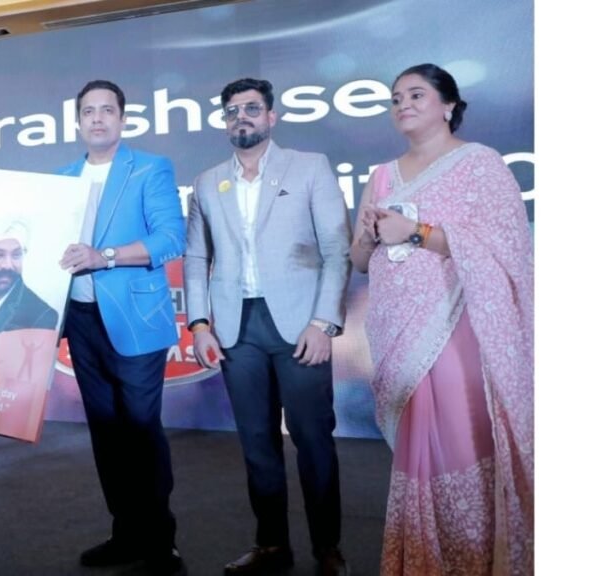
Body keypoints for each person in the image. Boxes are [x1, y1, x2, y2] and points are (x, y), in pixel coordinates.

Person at [349, 63, 533, 576]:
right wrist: (370, 234)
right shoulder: (381, 175)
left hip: (456, 327)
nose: (402, 104)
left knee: (458, 440)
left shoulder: (480, 164)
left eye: (416, 95)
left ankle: (474, 557)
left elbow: (505, 245)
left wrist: (415, 231)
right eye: (395, 98)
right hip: (396, 330)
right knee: (417, 447)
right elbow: (359, 260)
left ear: (448, 105)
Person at [184, 78, 351, 576]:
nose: (242, 117)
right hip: (237, 330)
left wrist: (324, 322)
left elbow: (336, 250)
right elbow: (196, 257)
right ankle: (272, 545)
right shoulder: (207, 181)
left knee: (313, 439)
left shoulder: (309, 167)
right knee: (257, 443)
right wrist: (199, 324)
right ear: (225, 121)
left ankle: (327, 548)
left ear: (271, 116)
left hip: (302, 325)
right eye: (232, 111)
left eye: (252, 109)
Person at [57, 80, 186, 575]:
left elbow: (170, 238)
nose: (97, 118)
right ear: (77, 121)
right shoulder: (62, 178)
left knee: (140, 429)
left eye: (106, 110)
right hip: (81, 321)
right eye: (88, 111)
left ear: (122, 119)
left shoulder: (150, 168)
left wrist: (105, 256)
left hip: (136, 318)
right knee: (106, 433)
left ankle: (160, 540)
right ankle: (125, 533)